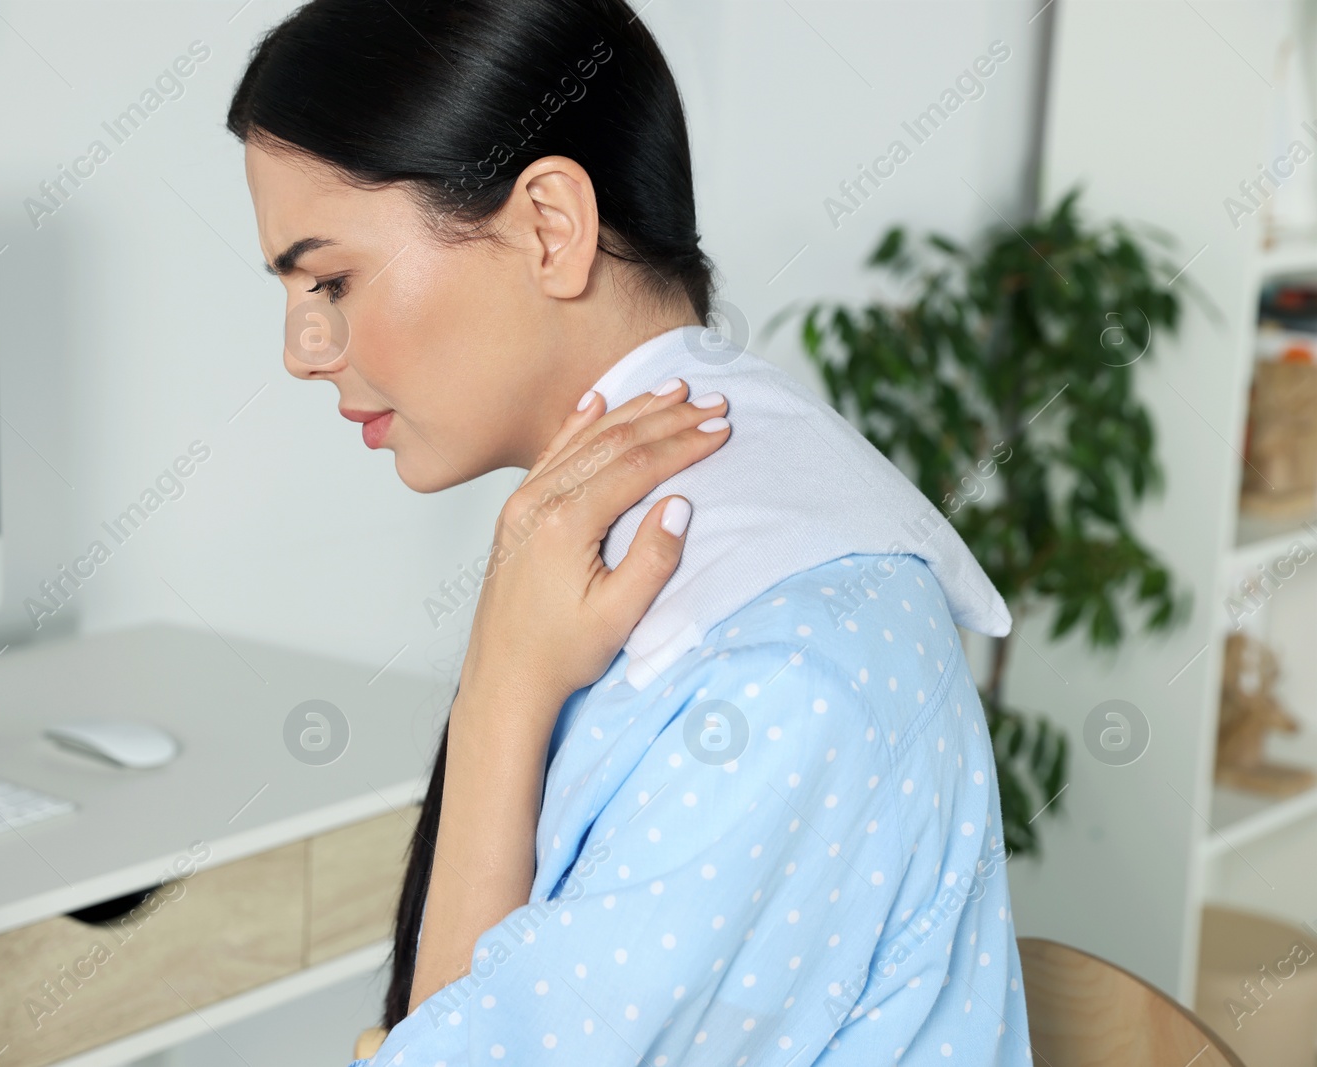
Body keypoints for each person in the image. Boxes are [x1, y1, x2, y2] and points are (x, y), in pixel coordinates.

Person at [226, 1, 1032, 1062]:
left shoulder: (780, 679)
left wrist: (503, 689)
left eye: (329, 277)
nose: (302, 346)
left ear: (552, 227)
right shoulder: (617, 533)